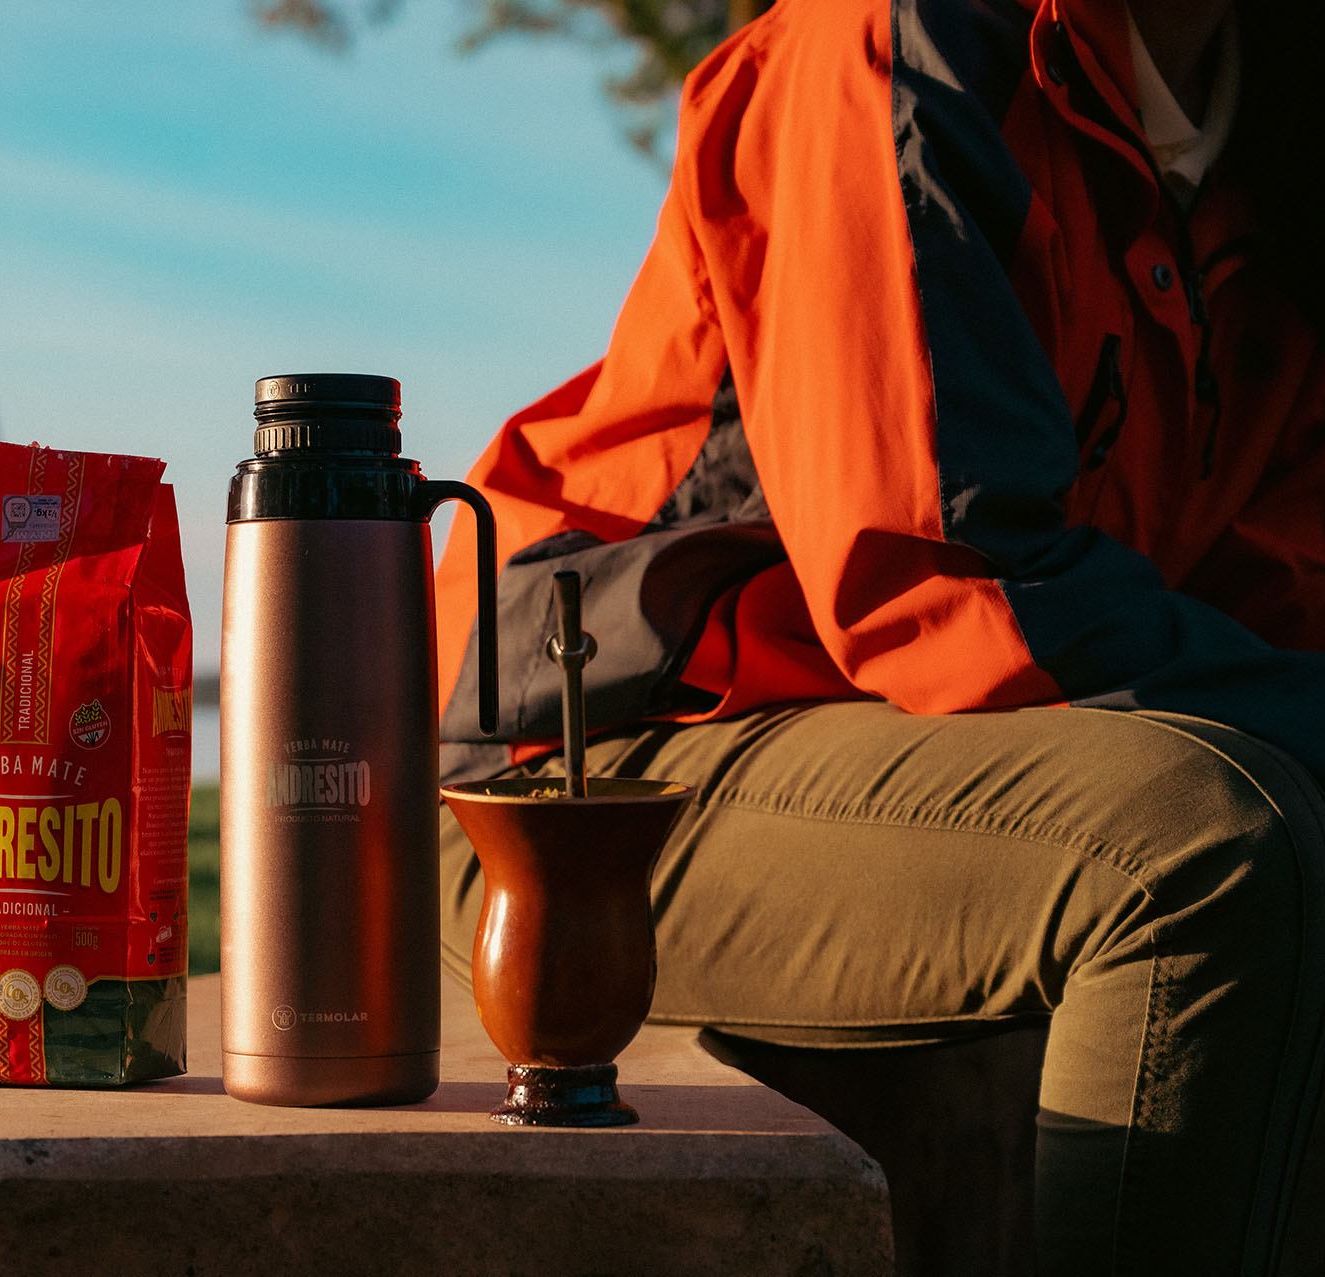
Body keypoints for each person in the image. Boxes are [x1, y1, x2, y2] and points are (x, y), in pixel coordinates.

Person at [430, 0, 1325, 1271]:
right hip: (573, 793)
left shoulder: (1275, 157)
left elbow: (1274, 614)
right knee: (1202, 844)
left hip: (913, 748)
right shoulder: (890, 44)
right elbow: (947, 591)